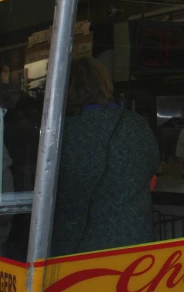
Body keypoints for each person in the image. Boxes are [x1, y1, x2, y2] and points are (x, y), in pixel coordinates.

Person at [51, 58, 160, 257]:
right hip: (132, 246)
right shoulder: (135, 125)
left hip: (70, 250)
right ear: (105, 84)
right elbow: (151, 175)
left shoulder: (57, 131)